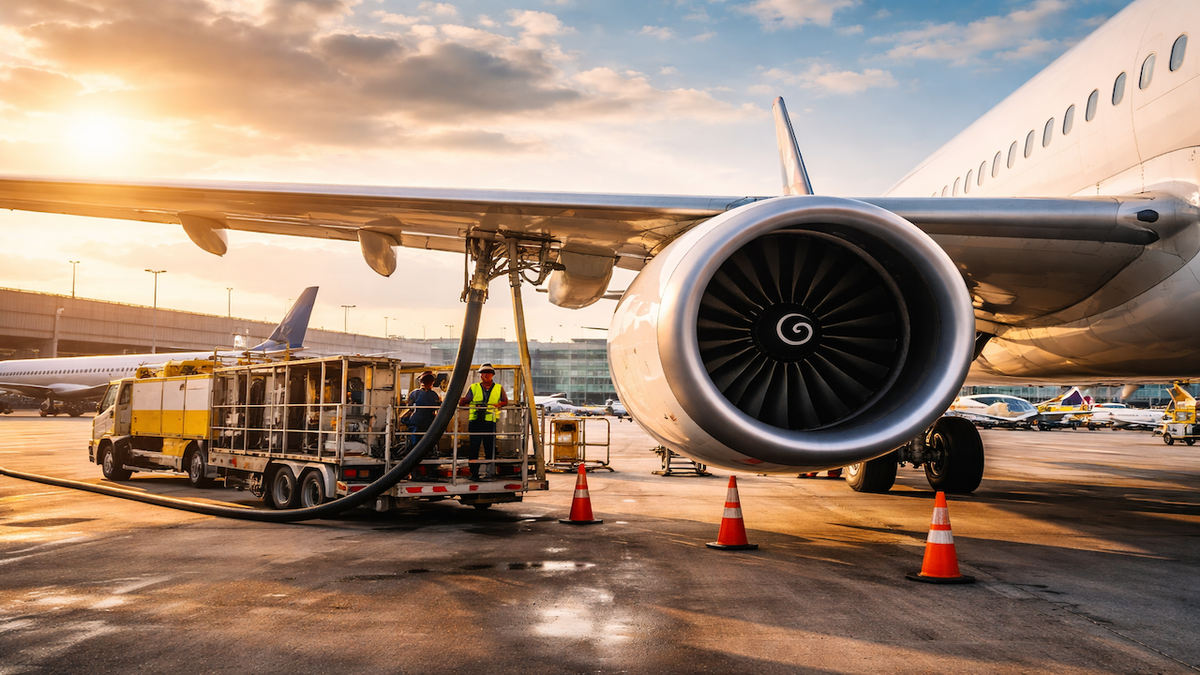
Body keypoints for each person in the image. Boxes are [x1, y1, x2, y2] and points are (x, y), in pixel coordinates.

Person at [459, 364, 507, 480]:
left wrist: (498, 405)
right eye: (484, 373)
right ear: (481, 375)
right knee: (474, 447)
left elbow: (505, 401)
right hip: (476, 421)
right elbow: (465, 401)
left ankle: (490, 473)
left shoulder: (498, 388)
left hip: (489, 422)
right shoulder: (473, 387)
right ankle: (474, 473)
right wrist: (462, 401)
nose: (486, 375)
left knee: (489, 447)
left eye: (488, 373)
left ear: (492, 375)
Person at [404, 370, 442, 455]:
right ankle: (428, 454)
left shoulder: (414, 394)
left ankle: (411, 455)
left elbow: (409, 406)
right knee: (427, 439)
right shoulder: (433, 395)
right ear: (432, 383)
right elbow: (436, 409)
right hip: (427, 422)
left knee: (415, 441)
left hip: (417, 421)